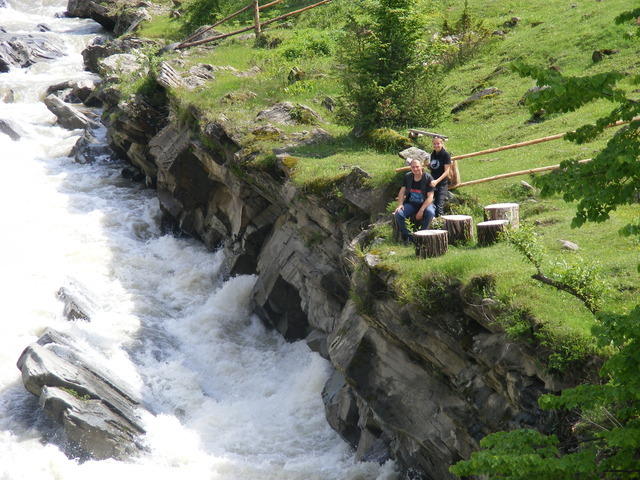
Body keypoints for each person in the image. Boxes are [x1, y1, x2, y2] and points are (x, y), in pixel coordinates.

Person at [394, 158, 436, 244]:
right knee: (399, 214)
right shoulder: (408, 177)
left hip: (425, 204)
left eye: (417, 167)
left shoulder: (428, 178)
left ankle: (421, 235)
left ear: (421, 167)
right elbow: (402, 191)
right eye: (413, 167)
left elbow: (430, 197)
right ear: (410, 168)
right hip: (411, 204)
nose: (415, 169)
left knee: (430, 213)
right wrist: (400, 204)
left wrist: (421, 210)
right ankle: (409, 237)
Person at [428, 136, 452, 217]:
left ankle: (442, 226)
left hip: (442, 184)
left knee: (439, 207)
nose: (436, 145)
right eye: (434, 144)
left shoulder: (446, 155)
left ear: (442, 144)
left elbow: (446, 172)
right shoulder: (433, 154)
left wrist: (437, 181)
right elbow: (433, 168)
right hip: (433, 183)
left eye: (438, 143)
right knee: (429, 205)